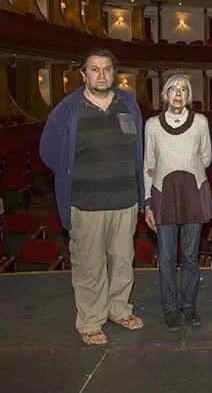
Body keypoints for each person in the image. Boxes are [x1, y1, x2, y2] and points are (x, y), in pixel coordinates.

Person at [39, 48, 145, 346]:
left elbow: (137, 146)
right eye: (95, 69)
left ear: (114, 73)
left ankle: (119, 310)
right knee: (90, 265)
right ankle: (90, 321)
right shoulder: (68, 109)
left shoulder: (128, 103)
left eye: (107, 69)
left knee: (123, 261)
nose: (101, 74)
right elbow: (48, 153)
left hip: (126, 200)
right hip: (86, 203)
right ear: (83, 74)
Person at [144, 75, 212, 331]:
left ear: (189, 95)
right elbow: (147, 165)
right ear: (165, 95)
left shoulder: (201, 123)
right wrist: (148, 202)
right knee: (166, 258)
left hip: (193, 192)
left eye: (184, 89)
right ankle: (170, 308)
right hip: (163, 193)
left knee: (192, 257)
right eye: (173, 89)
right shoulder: (151, 125)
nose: (178, 93)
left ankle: (189, 305)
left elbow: (206, 158)